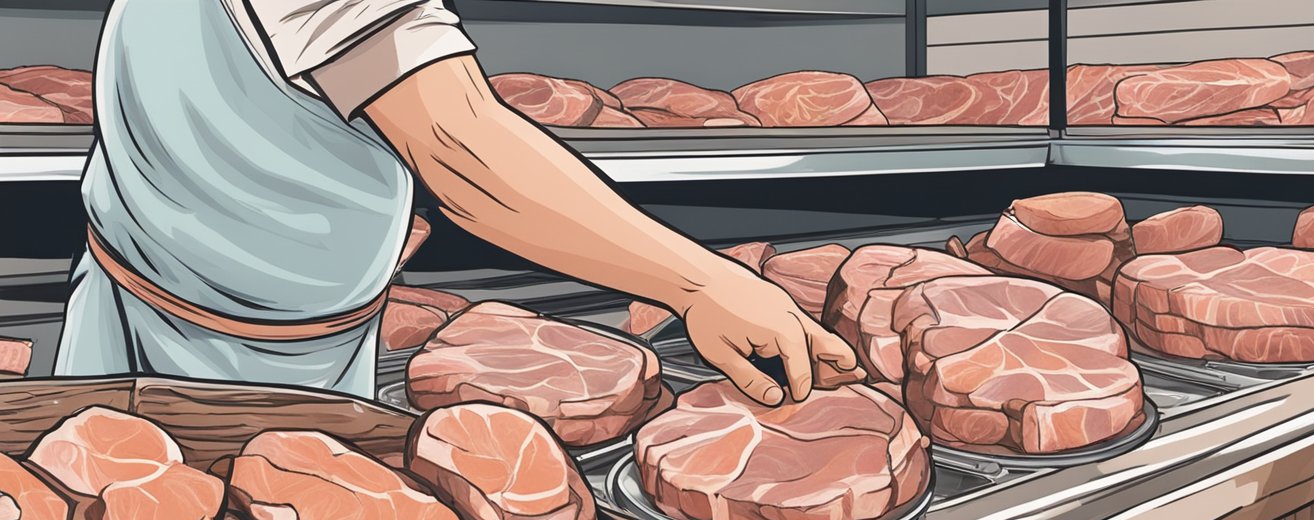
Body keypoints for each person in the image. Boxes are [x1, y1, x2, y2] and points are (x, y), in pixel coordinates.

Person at [54, 0, 863, 405]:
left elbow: (227, 98)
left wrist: (360, 206)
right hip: (240, 370)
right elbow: (461, 147)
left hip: (130, 302)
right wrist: (701, 284)